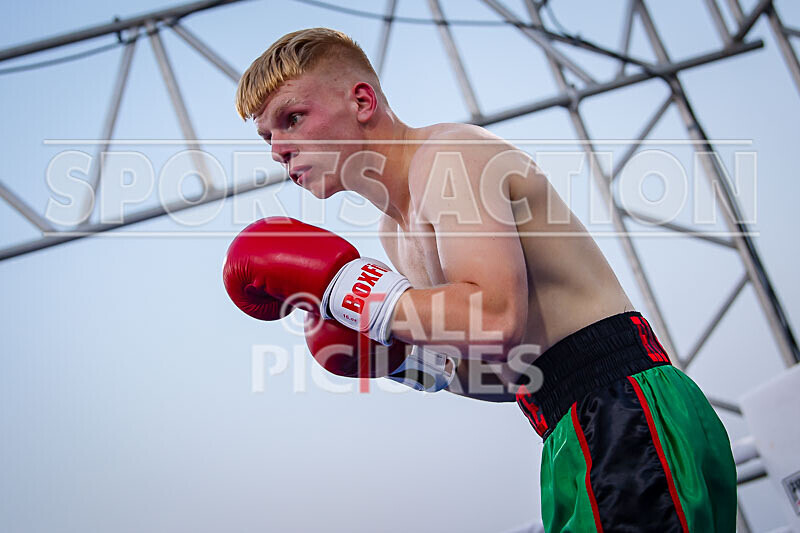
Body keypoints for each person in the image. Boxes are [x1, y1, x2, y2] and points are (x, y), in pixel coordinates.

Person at [227, 27, 737, 532]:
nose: (278, 149)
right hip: (565, 427)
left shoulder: (449, 158)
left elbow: (494, 319)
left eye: (292, 118)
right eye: (268, 136)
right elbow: (507, 372)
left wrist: (347, 290)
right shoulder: (393, 231)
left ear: (362, 100)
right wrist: (405, 361)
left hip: (623, 408)